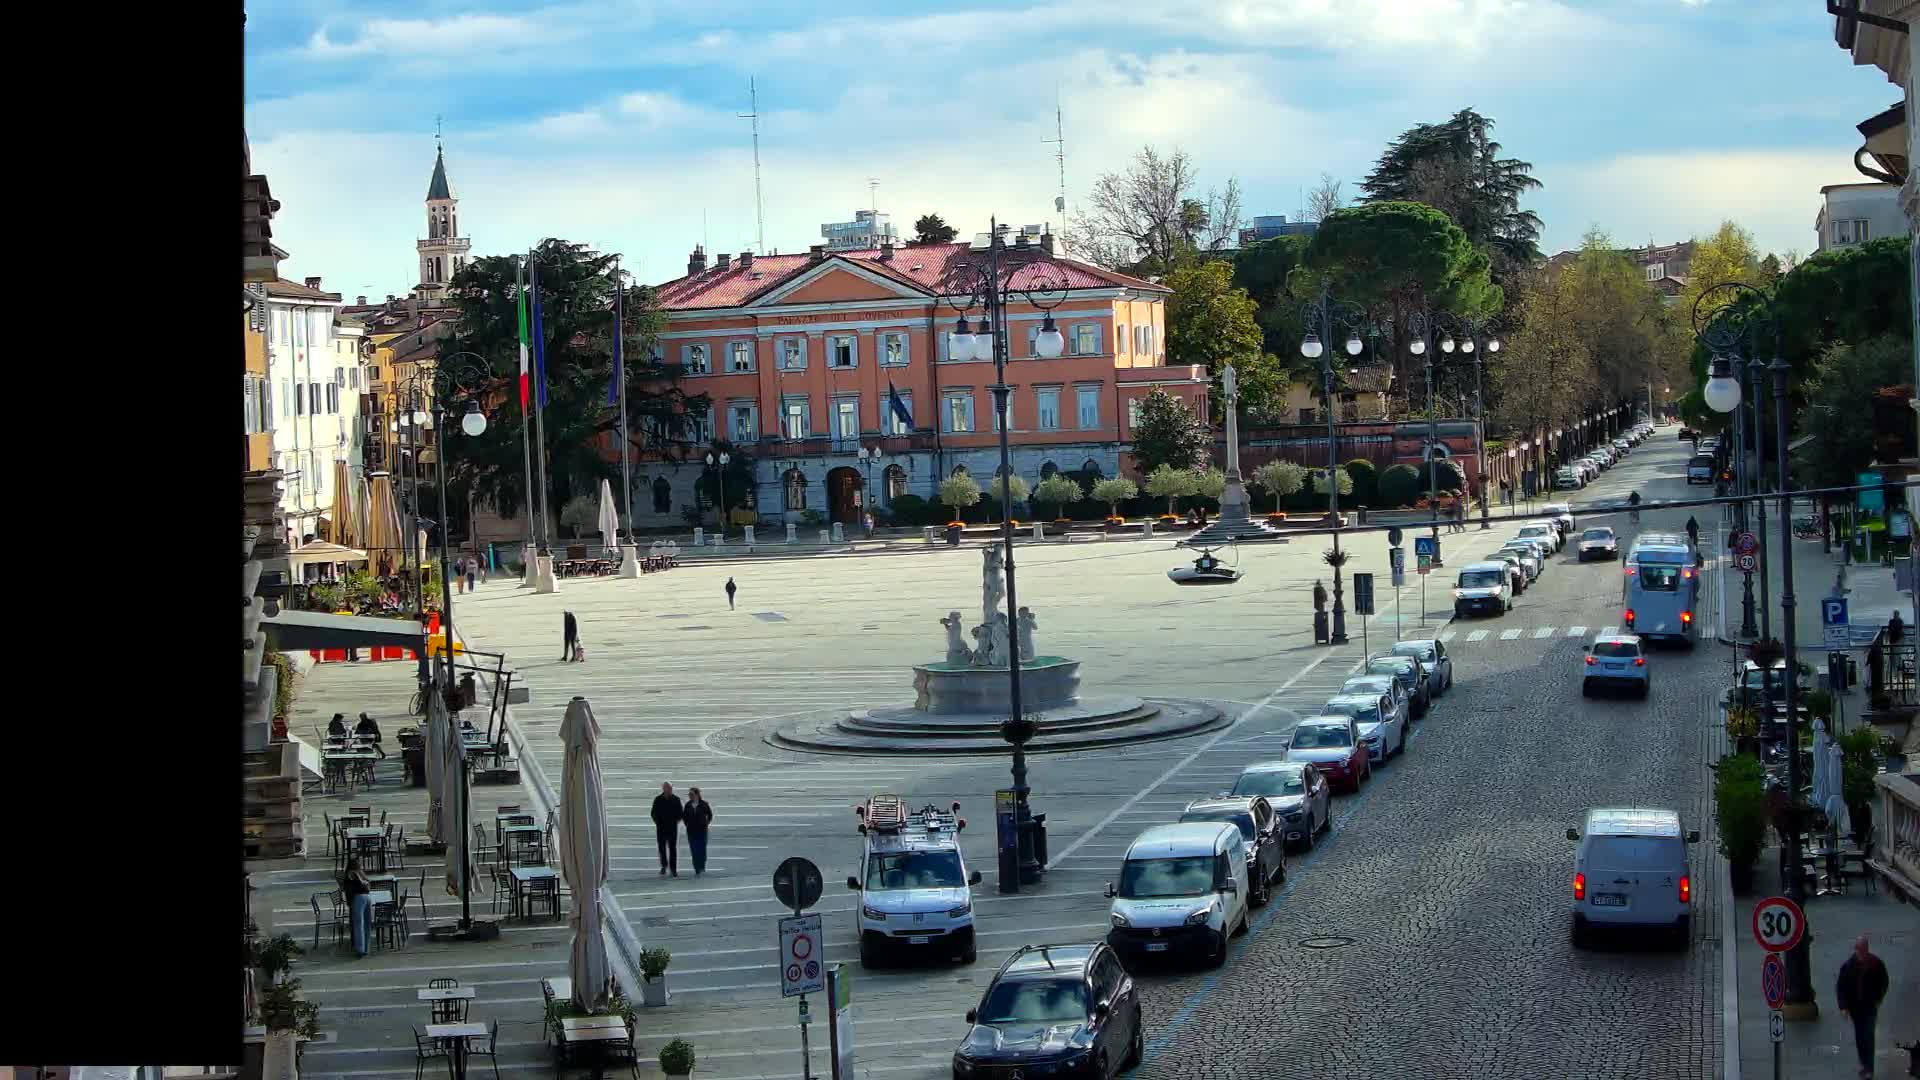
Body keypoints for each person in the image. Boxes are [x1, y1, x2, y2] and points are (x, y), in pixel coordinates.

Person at [1836, 933, 1890, 1078]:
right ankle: (1864, 1063)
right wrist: (1844, 1007)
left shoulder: (1875, 964)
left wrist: (1878, 998)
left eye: (1864, 949)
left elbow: (1884, 982)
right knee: (1860, 1036)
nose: (1862, 952)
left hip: (1869, 1006)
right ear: (1856, 949)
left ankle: (1869, 1068)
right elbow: (1841, 987)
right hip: (1855, 1007)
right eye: (1860, 949)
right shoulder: (1848, 966)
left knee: (1868, 1035)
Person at [343, 857, 373, 958]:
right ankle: (365, 948)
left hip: (358, 899)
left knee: (359, 924)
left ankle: (360, 949)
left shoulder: (353, 873)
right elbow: (367, 884)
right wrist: (364, 881)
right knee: (367, 923)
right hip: (366, 897)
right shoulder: (356, 873)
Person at [651, 782, 683, 877]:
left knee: (672, 848)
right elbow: (653, 813)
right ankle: (664, 866)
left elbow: (680, 813)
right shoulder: (658, 799)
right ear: (663, 789)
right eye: (667, 788)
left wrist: (676, 821)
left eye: (670, 788)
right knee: (662, 848)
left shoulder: (676, 799)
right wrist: (658, 822)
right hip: (661, 828)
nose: (669, 790)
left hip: (672, 828)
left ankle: (673, 869)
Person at [683, 786, 714, 876]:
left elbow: (710, 815)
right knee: (694, 850)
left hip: (702, 831)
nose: (690, 796)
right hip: (691, 831)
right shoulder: (688, 805)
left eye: (692, 794)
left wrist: (706, 823)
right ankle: (697, 868)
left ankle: (702, 866)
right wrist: (687, 825)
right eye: (689, 794)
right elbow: (684, 817)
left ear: (697, 795)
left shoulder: (704, 804)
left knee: (702, 850)